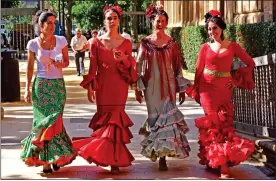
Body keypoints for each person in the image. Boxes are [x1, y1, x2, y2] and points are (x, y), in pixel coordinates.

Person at [185, 10, 255, 178]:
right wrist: (195, 89)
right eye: (209, 29)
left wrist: (237, 81)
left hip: (224, 89)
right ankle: (221, 165)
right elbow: (199, 70)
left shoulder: (232, 46)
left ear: (222, 28)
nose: (212, 32)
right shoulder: (204, 47)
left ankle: (219, 161)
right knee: (212, 126)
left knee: (223, 125)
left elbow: (250, 63)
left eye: (214, 28)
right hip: (206, 90)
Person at [72, 4, 138, 174]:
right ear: (104, 21)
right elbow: (92, 68)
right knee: (104, 121)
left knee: (116, 121)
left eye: (115, 18)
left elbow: (131, 67)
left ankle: (115, 161)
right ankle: (105, 156)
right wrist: (90, 88)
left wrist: (124, 58)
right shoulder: (95, 42)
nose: (112, 21)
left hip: (119, 86)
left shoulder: (126, 42)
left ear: (119, 20)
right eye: (109, 18)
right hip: (102, 86)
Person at [135, 4, 191, 171]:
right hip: (151, 87)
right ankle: (157, 153)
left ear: (167, 23)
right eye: (157, 20)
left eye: (163, 21)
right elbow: (138, 65)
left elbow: (177, 66)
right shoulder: (145, 43)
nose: (160, 23)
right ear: (152, 22)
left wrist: (181, 89)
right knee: (155, 120)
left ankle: (163, 157)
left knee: (168, 119)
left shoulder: (172, 43)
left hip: (169, 87)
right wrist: (137, 88)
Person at [21, 10, 77, 174]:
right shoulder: (33, 44)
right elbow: (30, 68)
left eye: (54, 23)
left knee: (55, 122)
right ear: (41, 25)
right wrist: (27, 89)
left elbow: (66, 62)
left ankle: (56, 156)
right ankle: (46, 162)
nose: (53, 26)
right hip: (41, 87)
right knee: (43, 123)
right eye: (49, 23)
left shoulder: (61, 40)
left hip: (57, 87)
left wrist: (60, 64)